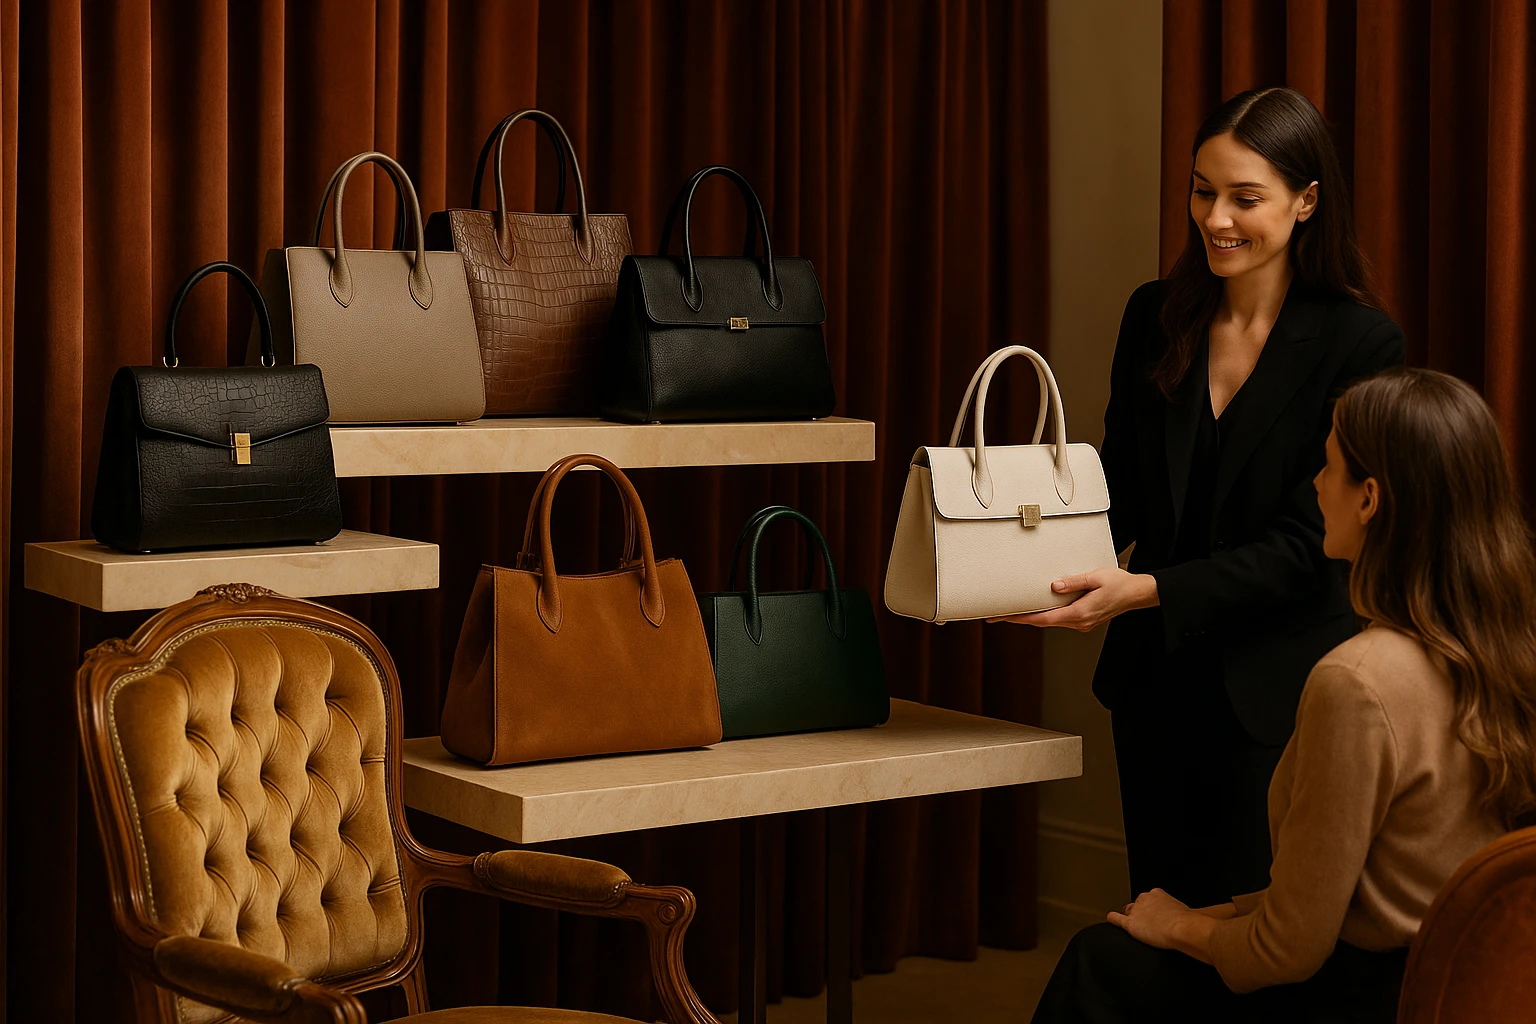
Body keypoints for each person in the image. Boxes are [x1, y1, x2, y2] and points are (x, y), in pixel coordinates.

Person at [994, 87, 1405, 905]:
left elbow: (1307, 547)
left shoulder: (1362, 342)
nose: (1215, 217)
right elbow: (1124, 492)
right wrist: (1022, 559)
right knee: (1158, 919)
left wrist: (1145, 589)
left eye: (1245, 197)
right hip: (1156, 685)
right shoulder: (1156, 316)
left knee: (1250, 933)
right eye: (1202, 189)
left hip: (1281, 691)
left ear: (1306, 201)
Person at [1031, 367, 1536, 1021]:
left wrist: (1175, 926)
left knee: (1101, 962)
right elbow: (1354, 892)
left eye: (1326, 468)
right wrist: (1200, 914)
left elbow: (1285, 951)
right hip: (1466, 986)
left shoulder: (1357, 683)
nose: (1316, 486)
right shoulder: (1508, 646)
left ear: (1370, 499)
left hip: (1369, 997)